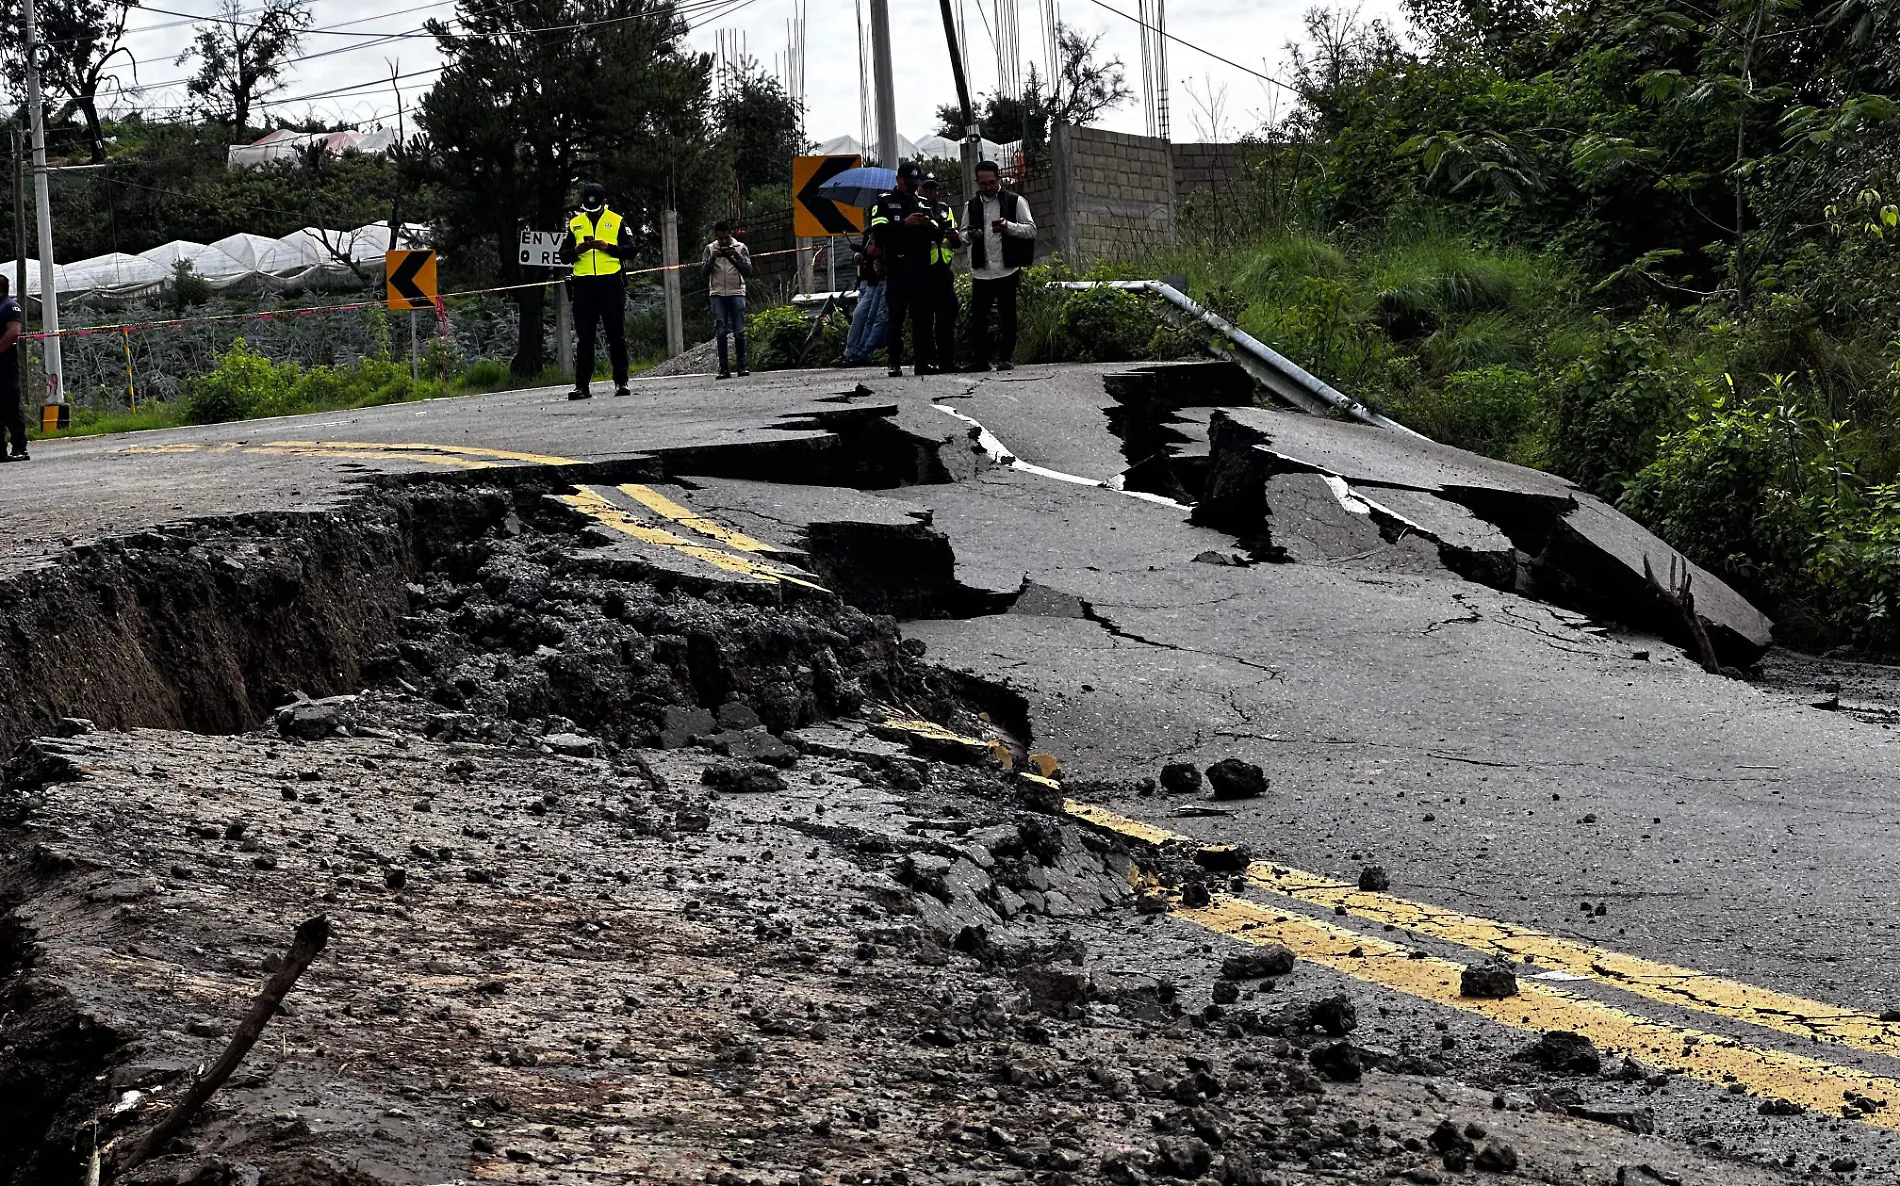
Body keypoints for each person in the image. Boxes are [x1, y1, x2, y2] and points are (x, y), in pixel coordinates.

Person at [868, 161, 947, 376]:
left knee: (923, 317)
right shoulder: (884, 202)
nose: (911, 188)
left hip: (921, 267)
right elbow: (880, 232)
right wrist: (905, 223)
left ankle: (924, 362)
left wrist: (928, 224)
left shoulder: (922, 204)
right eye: (908, 183)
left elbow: (939, 234)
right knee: (896, 316)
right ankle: (894, 362)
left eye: (915, 184)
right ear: (898, 180)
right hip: (897, 267)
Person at [559, 181, 636, 400]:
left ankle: (621, 382)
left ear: (604, 203)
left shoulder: (617, 221)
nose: (592, 214)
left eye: (596, 209)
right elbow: (563, 254)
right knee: (585, 338)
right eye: (588, 210)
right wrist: (577, 250)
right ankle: (582, 386)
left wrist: (609, 248)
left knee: (616, 335)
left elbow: (631, 248)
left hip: (611, 283)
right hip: (584, 285)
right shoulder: (575, 223)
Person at [964, 160, 1037, 371]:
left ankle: (1006, 358)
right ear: (977, 182)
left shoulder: (1015, 201)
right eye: (983, 183)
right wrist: (970, 235)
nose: (987, 188)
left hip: (1007, 267)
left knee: (1008, 315)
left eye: (991, 182)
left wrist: (1009, 227)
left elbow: (1031, 230)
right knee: (979, 318)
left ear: (999, 179)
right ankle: (981, 360)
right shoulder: (971, 206)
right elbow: (962, 235)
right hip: (982, 271)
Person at [919, 174, 963, 372]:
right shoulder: (915, 210)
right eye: (926, 188)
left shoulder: (945, 209)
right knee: (926, 318)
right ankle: (928, 360)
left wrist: (955, 237)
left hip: (943, 270)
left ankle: (947, 360)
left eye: (933, 188)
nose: (930, 192)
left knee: (948, 314)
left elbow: (956, 241)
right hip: (923, 271)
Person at [702, 222, 755, 379]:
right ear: (716, 237)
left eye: (726, 238)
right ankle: (723, 368)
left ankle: (742, 366)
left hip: (736, 292)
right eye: (720, 239)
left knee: (739, 331)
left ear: (730, 235)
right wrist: (712, 258)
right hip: (717, 293)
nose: (724, 242)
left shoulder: (740, 247)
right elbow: (703, 272)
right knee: (720, 332)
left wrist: (735, 255)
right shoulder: (710, 249)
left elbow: (748, 269)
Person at [838, 231, 886, 366]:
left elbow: (878, 252)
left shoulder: (884, 231)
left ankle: (858, 353)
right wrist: (859, 254)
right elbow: (868, 255)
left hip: (877, 281)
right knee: (864, 317)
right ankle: (854, 353)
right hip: (868, 281)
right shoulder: (869, 233)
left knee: (869, 317)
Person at [0, 276, 25, 461]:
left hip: (5, 364)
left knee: (10, 406)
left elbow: (14, 332)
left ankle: (19, 446)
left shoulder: (9, 306)